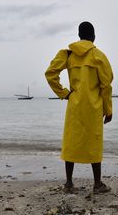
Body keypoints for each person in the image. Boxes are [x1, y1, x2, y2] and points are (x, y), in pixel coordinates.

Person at [45, 21, 113, 194]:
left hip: (74, 104)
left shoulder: (68, 55)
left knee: (71, 142)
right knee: (94, 142)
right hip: (93, 106)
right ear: (94, 36)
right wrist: (108, 109)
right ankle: (97, 184)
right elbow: (106, 85)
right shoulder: (99, 56)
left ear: (79, 35)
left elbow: (50, 73)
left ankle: (69, 183)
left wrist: (64, 93)